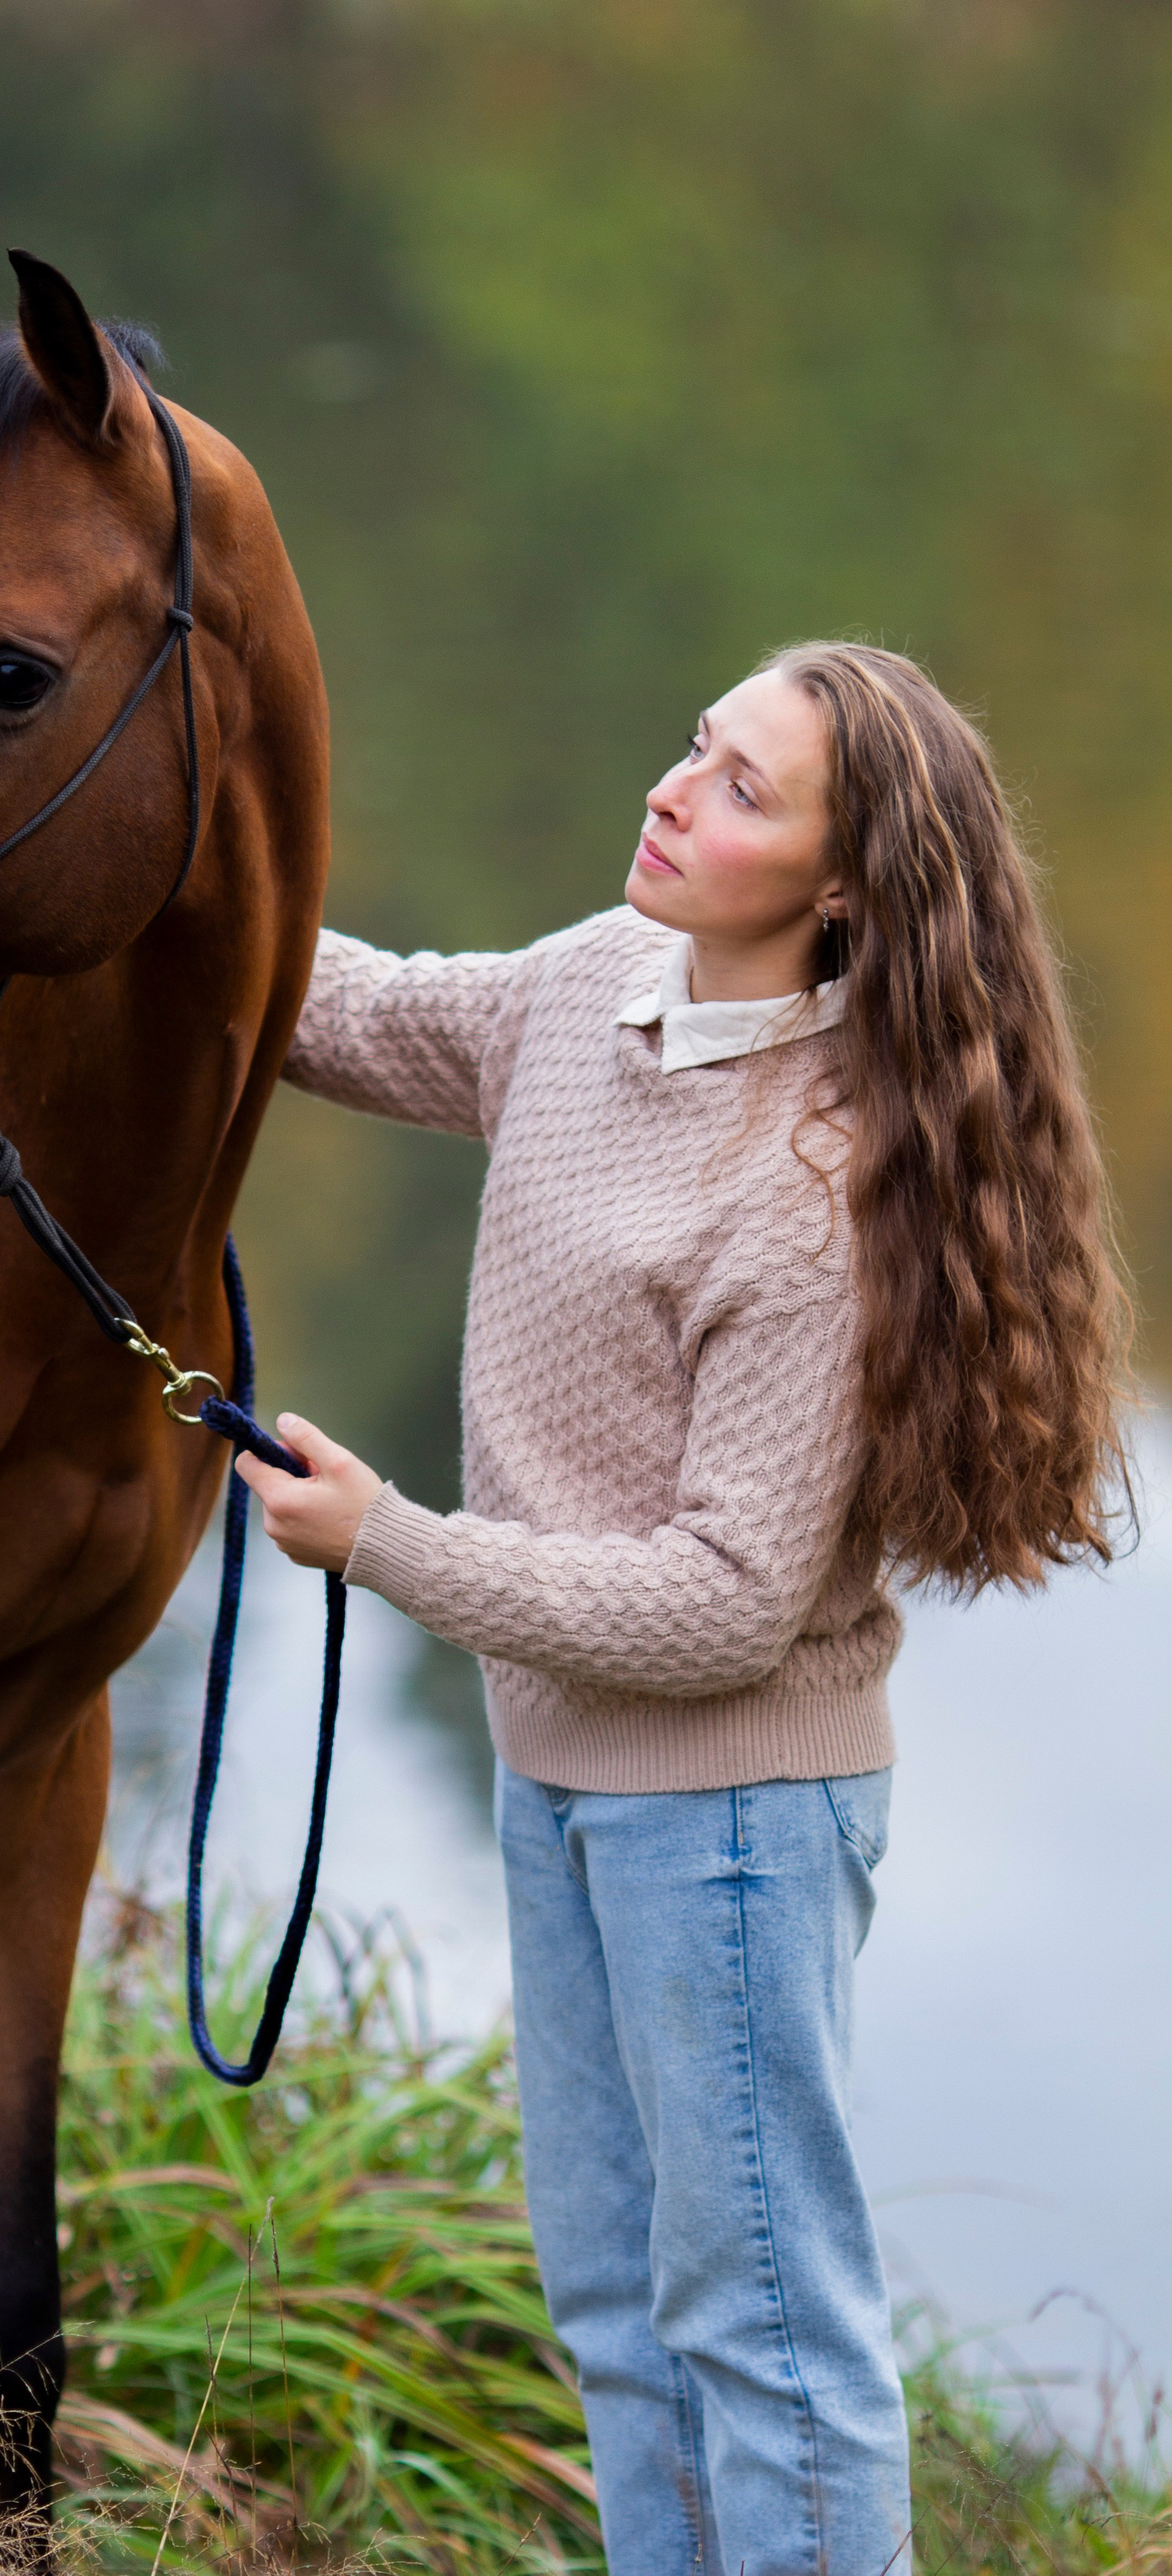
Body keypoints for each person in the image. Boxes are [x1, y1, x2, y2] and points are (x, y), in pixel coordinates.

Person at [235, 643, 1130, 2576]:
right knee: (621, 2317)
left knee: (768, 2340)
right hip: (558, 1777)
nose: (671, 790)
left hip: (730, 1824)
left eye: (741, 789)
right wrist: (165, 850)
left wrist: (388, 1543)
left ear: (843, 887)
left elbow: (727, 1608)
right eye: (695, 747)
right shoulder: (594, 985)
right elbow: (354, 1011)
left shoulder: (822, 1187)